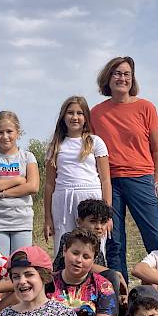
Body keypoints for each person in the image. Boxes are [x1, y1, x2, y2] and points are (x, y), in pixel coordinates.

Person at [90, 56, 158, 281]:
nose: (122, 78)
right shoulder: (97, 112)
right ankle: (119, 294)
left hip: (141, 177)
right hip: (110, 181)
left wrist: (155, 180)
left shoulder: (146, 107)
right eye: (117, 74)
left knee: (155, 236)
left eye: (126, 74)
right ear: (108, 78)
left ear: (132, 79)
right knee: (114, 240)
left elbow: (156, 149)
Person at [44, 95, 112, 254]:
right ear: (63, 116)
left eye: (79, 113)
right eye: (70, 113)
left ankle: (95, 276)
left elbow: (106, 179)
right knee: (65, 243)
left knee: (94, 242)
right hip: (63, 197)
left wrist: (107, 215)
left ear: (86, 117)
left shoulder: (95, 142)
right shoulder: (55, 145)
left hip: (91, 195)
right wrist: (47, 217)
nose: (75, 117)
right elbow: (49, 184)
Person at [50, 229, 120, 316]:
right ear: (65, 251)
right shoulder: (48, 283)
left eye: (86, 256)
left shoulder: (103, 286)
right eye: (75, 253)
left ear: (93, 260)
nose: (79, 260)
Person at [0, 111, 40, 255]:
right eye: (0, 132)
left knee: (20, 264)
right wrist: (17, 180)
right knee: (0, 266)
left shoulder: (28, 157)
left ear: (18, 132)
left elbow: (33, 186)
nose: (5, 136)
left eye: (9, 131)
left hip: (22, 220)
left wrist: (2, 193)